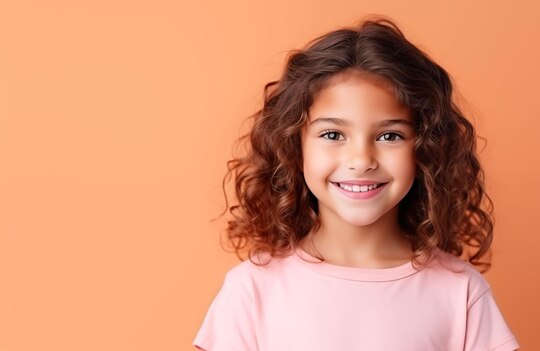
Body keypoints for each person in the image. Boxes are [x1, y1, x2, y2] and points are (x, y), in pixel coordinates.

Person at [193, 16, 520, 351]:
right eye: (333, 134)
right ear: (294, 145)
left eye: (390, 135)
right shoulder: (252, 291)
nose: (362, 159)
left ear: (426, 149)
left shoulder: (460, 293)